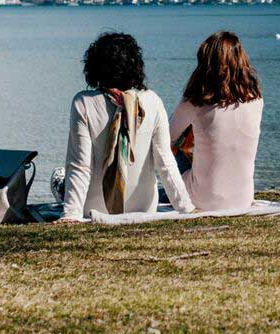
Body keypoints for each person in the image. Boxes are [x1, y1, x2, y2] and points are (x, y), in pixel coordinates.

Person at [58, 32, 195, 222]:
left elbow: (80, 166)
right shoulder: (153, 101)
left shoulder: (83, 103)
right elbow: (165, 163)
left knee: (59, 180)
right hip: (144, 208)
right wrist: (186, 208)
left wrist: (71, 214)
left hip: (95, 210)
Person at [169, 30, 264, 212]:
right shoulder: (256, 99)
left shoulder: (195, 102)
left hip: (204, 200)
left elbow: (165, 141)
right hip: (243, 199)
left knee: (180, 140)